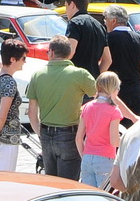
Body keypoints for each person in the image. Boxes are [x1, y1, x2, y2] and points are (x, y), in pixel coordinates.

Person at [29, 37, 96, 181]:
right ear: (70, 53)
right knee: (69, 184)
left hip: (45, 132)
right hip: (69, 133)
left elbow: (31, 112)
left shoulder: (37, 75)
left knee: (52, 183)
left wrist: (40, 133)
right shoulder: (80, 74)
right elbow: (101, 96)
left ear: (51, 52)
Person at [0, 39, 30, 172]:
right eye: (23, 58)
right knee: (6, 179)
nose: (25, 61)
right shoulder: (9, 82)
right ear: (13, 59)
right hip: (6, 140)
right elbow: (2, 115)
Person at [77, 73, 124, 188]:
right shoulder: (114, 111)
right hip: (105, 158)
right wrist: (125, 140)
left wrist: (84, 155)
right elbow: (114, 141)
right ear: (113, 89)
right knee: (103, 194)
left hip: (87, 157)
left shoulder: (87, 107)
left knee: (89, 193)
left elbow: (78, 138)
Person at [100, 5, 140, 114]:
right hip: (135, 92)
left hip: (114, 92)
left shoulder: (108, 39)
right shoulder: (139, 39)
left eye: (105, 19)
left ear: (114, 20)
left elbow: (104, 63)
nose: (105, 22)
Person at [62, 0, 107, 74]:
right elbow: (108, 59)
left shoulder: (74, 23)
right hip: (93, 77)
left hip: (76, 76)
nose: (65, 10)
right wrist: (96, 77)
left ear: (72, 5)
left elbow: (70, 52)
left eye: (66, 6)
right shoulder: (99, 26)